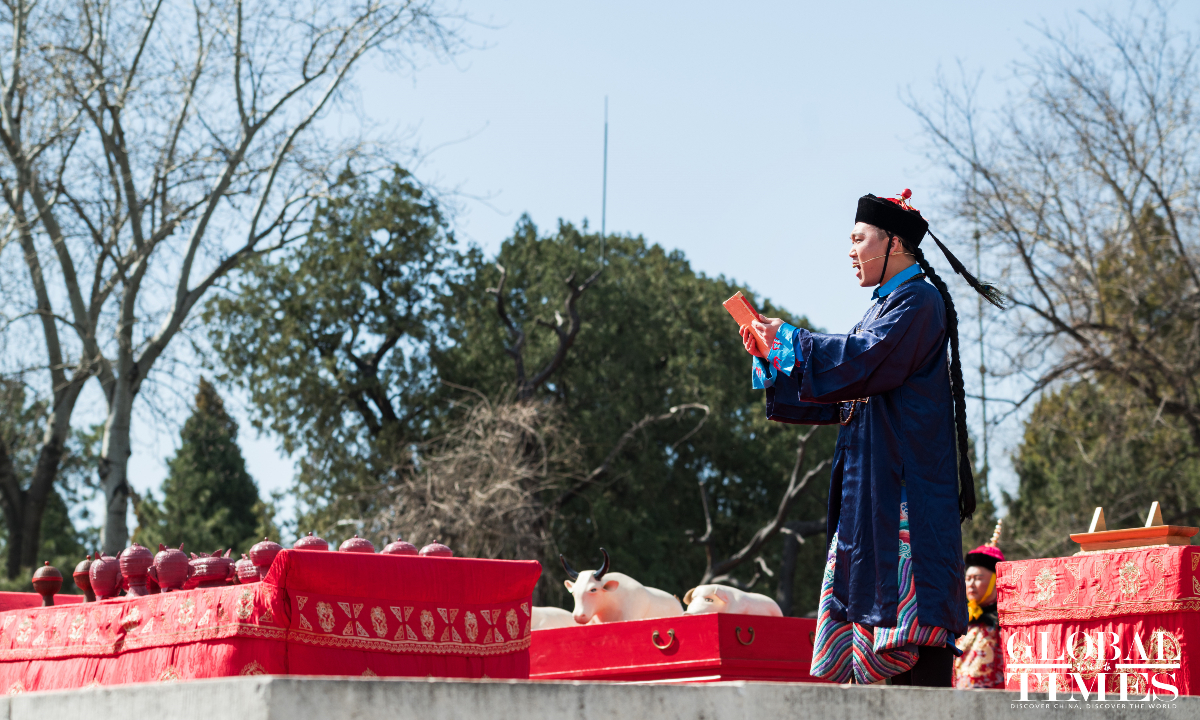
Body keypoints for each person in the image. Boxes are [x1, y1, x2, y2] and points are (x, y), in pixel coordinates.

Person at [740, 190, 1005, 687]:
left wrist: (793, 340)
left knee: (916, 635)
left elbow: (864, 360)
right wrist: (775, 359)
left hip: (903, 489)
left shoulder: (919, 300)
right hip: (873, 492)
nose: (850, 250)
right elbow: (846, 391)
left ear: (894, 243)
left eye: (859, 239)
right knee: (879, 639)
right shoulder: (882, 309)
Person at [954, 520, 1006, 689]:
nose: (970, 584)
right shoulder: (959, 617)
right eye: (968, 578)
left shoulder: (1005, 621)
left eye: (977, 578)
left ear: (994, 581)